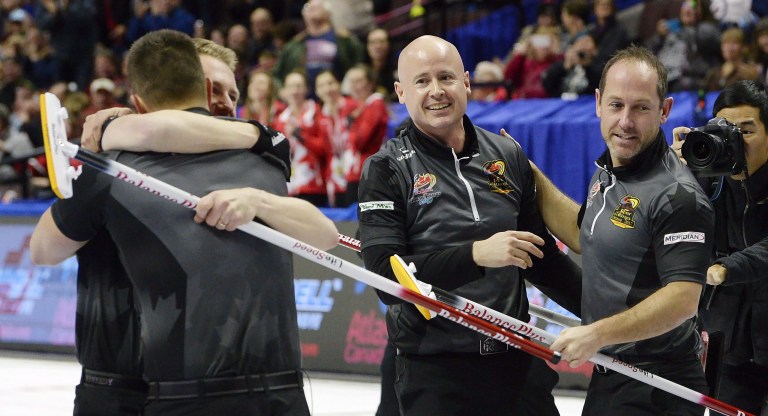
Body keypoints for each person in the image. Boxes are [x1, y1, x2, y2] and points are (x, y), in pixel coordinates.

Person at [31, 29, 337, 416]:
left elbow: (325, 233)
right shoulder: (112, 166)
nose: (224, 104)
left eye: (233, 95)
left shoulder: (262, 150)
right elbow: (43, 249)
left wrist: (108, 134)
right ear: (196, 84)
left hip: (200, 384)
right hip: (121, 381)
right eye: (215, 91)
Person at [356, 35, 581, 416]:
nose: (436, 91)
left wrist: (611, 314)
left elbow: (539, 257)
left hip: (516, 359)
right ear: (401, 92)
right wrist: (477, 255)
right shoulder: (386, 168)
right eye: (422, 81)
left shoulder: (507, 154)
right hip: (434, 369)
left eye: (445, 77)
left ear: (466, 82)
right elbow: (386, 279)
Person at [533, 45, 714, 415]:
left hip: (658, 386)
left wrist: (596, 333)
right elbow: (587, 233)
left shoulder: (678, 196)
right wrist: (528, 174)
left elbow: (682, 299)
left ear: (664, 111)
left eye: (641, 107)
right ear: (598, 103)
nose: (626, 122)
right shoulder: (611, 170)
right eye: (616, 105)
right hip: (613, 375)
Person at [671, 80, 768, 415]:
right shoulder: (704, 183)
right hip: (728, 349)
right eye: (726, 132)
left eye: (747, 131)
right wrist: (674, 180)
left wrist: (725, 269)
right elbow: (668, 235)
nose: (736, 144)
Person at [272, 0, 364, 96]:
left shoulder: (345, 40)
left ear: (328, 13)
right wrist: (281, 91)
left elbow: (359, 66)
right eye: (307, 6)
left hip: (336, 98)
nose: (310, 8)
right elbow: (277, 74)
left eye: (316, 6)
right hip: (304, 101)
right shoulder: (294, 45)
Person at [342, 64, 388, 205]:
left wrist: (353, 123)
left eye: (359, 81)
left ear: (370, 83)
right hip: (357, 172)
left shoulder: (375, 104)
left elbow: (359, 141)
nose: (355, 86)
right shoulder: (361, 107)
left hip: (368, 173)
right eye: (352, 81)